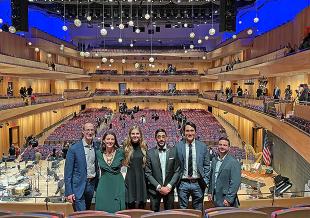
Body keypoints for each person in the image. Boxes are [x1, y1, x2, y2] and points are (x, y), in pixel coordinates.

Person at [64, 123, 99, 211]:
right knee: (81, 213)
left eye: (92, 130)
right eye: (87, 130)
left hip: (91, 184)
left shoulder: (96, 147)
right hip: (78, 187)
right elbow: (68, 173)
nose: (90, 132)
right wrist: (69, 192)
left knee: (87, 210)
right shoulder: (74, 148)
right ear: (83, 132)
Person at [176, 121, 210, 211]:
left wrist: (205, 180)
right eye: (187, 131)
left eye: (192, 130)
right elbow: (175, 166)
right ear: (183, 132)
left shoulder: (202, 146)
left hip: (198, 183)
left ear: (195, 132)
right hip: (183, 183)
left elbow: (207, 165)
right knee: (183, 210)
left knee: (198, 210)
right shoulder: (178, 146)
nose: (189, 133)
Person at [145, 129, 181, 212]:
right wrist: (159, 187)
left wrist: (169, 186)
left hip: (169, 190)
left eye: (163, 137)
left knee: (169, 215)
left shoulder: (174, 151)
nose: (161, 139)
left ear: (166, 138)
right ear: (155, 138)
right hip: (154, 190)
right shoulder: (149, 153)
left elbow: (177, 171)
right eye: (159, 137)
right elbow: (148, 173)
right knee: (154, 215)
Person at [95, 131, 125, 213]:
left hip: (117, 184)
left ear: (115, 141)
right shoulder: (98, 153)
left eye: (112, 139)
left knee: (117, 211)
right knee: (102, 210)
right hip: (103, 185)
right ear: (103, 140)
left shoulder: (121, 152)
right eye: (108, 139)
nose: (110, 141)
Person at [208, 137, 241, 207]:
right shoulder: (214, 160)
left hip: (226, 200)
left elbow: (235, 182)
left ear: (229, 148)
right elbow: (212, 177)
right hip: (216, 198)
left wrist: (229, 199)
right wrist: (210, 192)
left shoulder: (233, 162)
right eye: (220, 144)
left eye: (225, 145)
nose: (222, 147)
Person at [123, 126, 148, 209]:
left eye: (137, 133)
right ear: (130, 135)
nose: (135, 135)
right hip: (130, 181)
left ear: (140, 135)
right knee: (130, 210)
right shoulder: (126, 148)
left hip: (142, 181)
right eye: (133, 133)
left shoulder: (144, 147)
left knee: (142, 210)